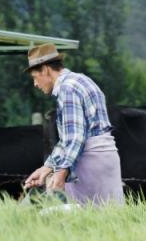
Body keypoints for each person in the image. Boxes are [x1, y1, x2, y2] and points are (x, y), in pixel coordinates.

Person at [22, 43, 124, 205]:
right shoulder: (82, 80)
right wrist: (46, 168)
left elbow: (75, 137)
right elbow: (69, 139)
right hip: (106, 158)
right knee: (111, 215)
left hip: (90, 161)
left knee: (86, 217)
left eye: (35, 77)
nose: (35, 84)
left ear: (46, 70)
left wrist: (61, 172)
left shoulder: (67, 89)